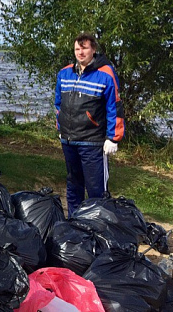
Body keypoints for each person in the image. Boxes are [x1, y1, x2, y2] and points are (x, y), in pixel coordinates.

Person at [55, 32, 124, 217]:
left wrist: (113, 137)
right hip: (69, 140)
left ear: (93, 49)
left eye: (84, 48)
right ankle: (75, 223)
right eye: (77, 48)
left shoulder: (106, 74)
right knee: (73, 184)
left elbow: (115, 107)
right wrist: (60, 126)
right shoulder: (64, 73)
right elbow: (58, 104)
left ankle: (98, 227)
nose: (80, 52)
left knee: (95, 189)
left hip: (92, 142)